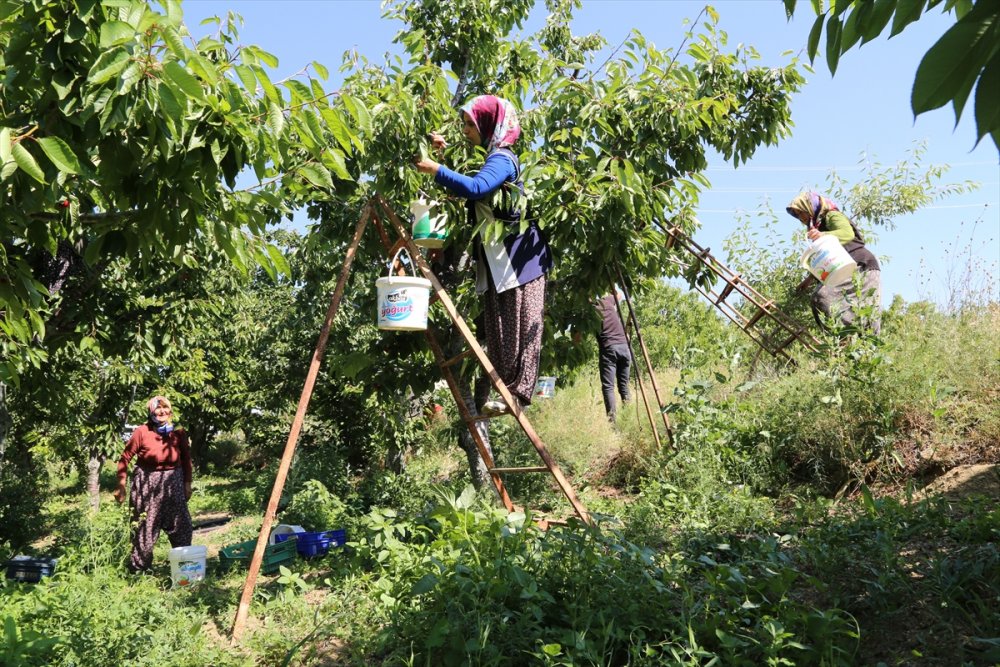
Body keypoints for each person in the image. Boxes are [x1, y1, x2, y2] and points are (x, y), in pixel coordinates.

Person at [415, 95, 552, 413]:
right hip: (497, 259)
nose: (465, 130)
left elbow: (477, 187)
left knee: (522, 324)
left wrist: (436, 169)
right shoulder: (492, 157)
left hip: (521, 259)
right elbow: (471, 178)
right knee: (500, 325)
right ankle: (507, 394)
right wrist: (440, 152)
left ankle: (518, 394)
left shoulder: (503, 158)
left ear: (489, 125)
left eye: (469, 124)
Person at [114, 395, 193, 572]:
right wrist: (121, 484)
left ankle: (184, 568)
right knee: (145, 527)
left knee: (182, 525)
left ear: (170, 411)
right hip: (147, 484)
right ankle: (140, 570)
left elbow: (187, 460)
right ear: (151, 411)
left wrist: (187, 484)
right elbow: (124, 458)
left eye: (165, 408)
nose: (162, 411)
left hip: (174, 483)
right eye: (158, 408)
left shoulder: (178, 433)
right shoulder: (142, 432)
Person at [786, 192, 882, 334]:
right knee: (820, 300)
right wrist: (809, 280)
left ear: (809, 207)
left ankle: (846, 340)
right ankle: (844, 342)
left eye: (801, 213)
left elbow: (847, 234)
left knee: (866, 314)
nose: (801, 218)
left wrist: (823, 235)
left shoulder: (831, 215)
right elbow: (827, 259)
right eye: (797, 215)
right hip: (845, 269)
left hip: (862, 266)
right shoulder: (816, 227)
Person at [596, 292, 631, 421]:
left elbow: (576, 339)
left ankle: (613, 423)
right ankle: (628, 418)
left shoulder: (589, 311)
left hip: (609, 348)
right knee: (624, 386)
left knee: (608, 387)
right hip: (624, 347)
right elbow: (619, 294)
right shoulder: (607, 301)